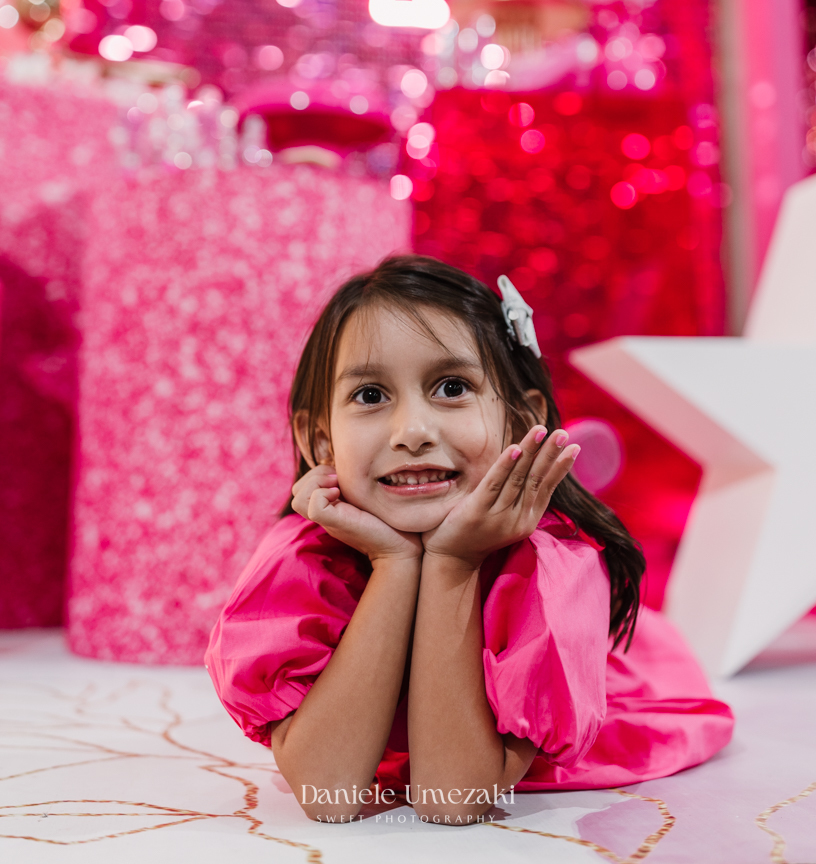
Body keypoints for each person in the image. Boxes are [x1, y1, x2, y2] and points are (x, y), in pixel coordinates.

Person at [206, 255, 733, 823]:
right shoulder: (305, 558)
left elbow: (450, 800)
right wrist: (394, 562)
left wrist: (452, 562)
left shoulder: (551, 571)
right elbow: (326, 792)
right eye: (371, 396)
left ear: (520, 422)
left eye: (452, 387)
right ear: (320, 441)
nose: (412, 432)